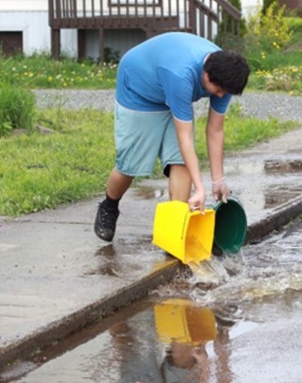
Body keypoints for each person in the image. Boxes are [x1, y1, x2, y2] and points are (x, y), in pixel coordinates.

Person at [94, 31, 250, 242]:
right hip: (139, 91)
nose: (221, 95)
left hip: (173, 92)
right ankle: (109, 206)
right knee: (130, 166)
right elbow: (185, 138)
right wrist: (200, 188)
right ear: (205, 73)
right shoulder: (180, 74)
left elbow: (215, 130)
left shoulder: (224, 79)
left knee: (180, 161)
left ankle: (176, 231)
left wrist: (218, 180)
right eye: (219, 90)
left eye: (225, 92)